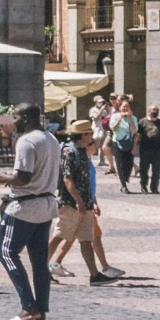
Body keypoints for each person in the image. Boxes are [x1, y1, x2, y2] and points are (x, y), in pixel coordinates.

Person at [0, 103, 61, 320]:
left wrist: (2, 177)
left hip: (24, 207)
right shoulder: (51, 139)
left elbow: (22, 178)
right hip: (47, 204)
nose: (13, 121)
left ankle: (29, 307)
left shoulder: (26, 141)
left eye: (16, 117)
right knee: (40, 262)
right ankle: (42, 313)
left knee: (6, 253)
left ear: (28, 118)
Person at [48, 118, 114, 285]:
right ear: (81, 135)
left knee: (86, 238)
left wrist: (90, 201)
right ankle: (40, 269)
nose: (92, 136)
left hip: (85, 203)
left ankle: (94, 275)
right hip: (71, 203)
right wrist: (78, 200)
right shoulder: (69, 152)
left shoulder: (82, 151)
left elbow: (85, 180)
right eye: (89, 133)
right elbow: (67, 179)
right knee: (58, 236)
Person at [136, 105, 160, 193]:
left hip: (157, 150)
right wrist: (134, 146)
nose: (155, 111)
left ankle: (154, 187)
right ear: (149, 111)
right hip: (145, 149)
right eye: (153, 110)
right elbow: (137, 135)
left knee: (156, 170)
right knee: (144, 169)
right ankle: (143, 184)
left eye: (157, 110)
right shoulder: (142, 122)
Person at [109, 97, 137, 192]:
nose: (125, 108)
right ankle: (123, 185)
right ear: (120, 107)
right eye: (124, 107)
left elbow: (134, 131)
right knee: (120, 163)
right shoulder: (115, 116)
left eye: (127, 107)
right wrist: (120, 117)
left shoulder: (133, 118)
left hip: (129, 142)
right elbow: (113, 128)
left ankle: (125, 178)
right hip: (117, 142)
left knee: (128, 164)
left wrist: (129, 119)